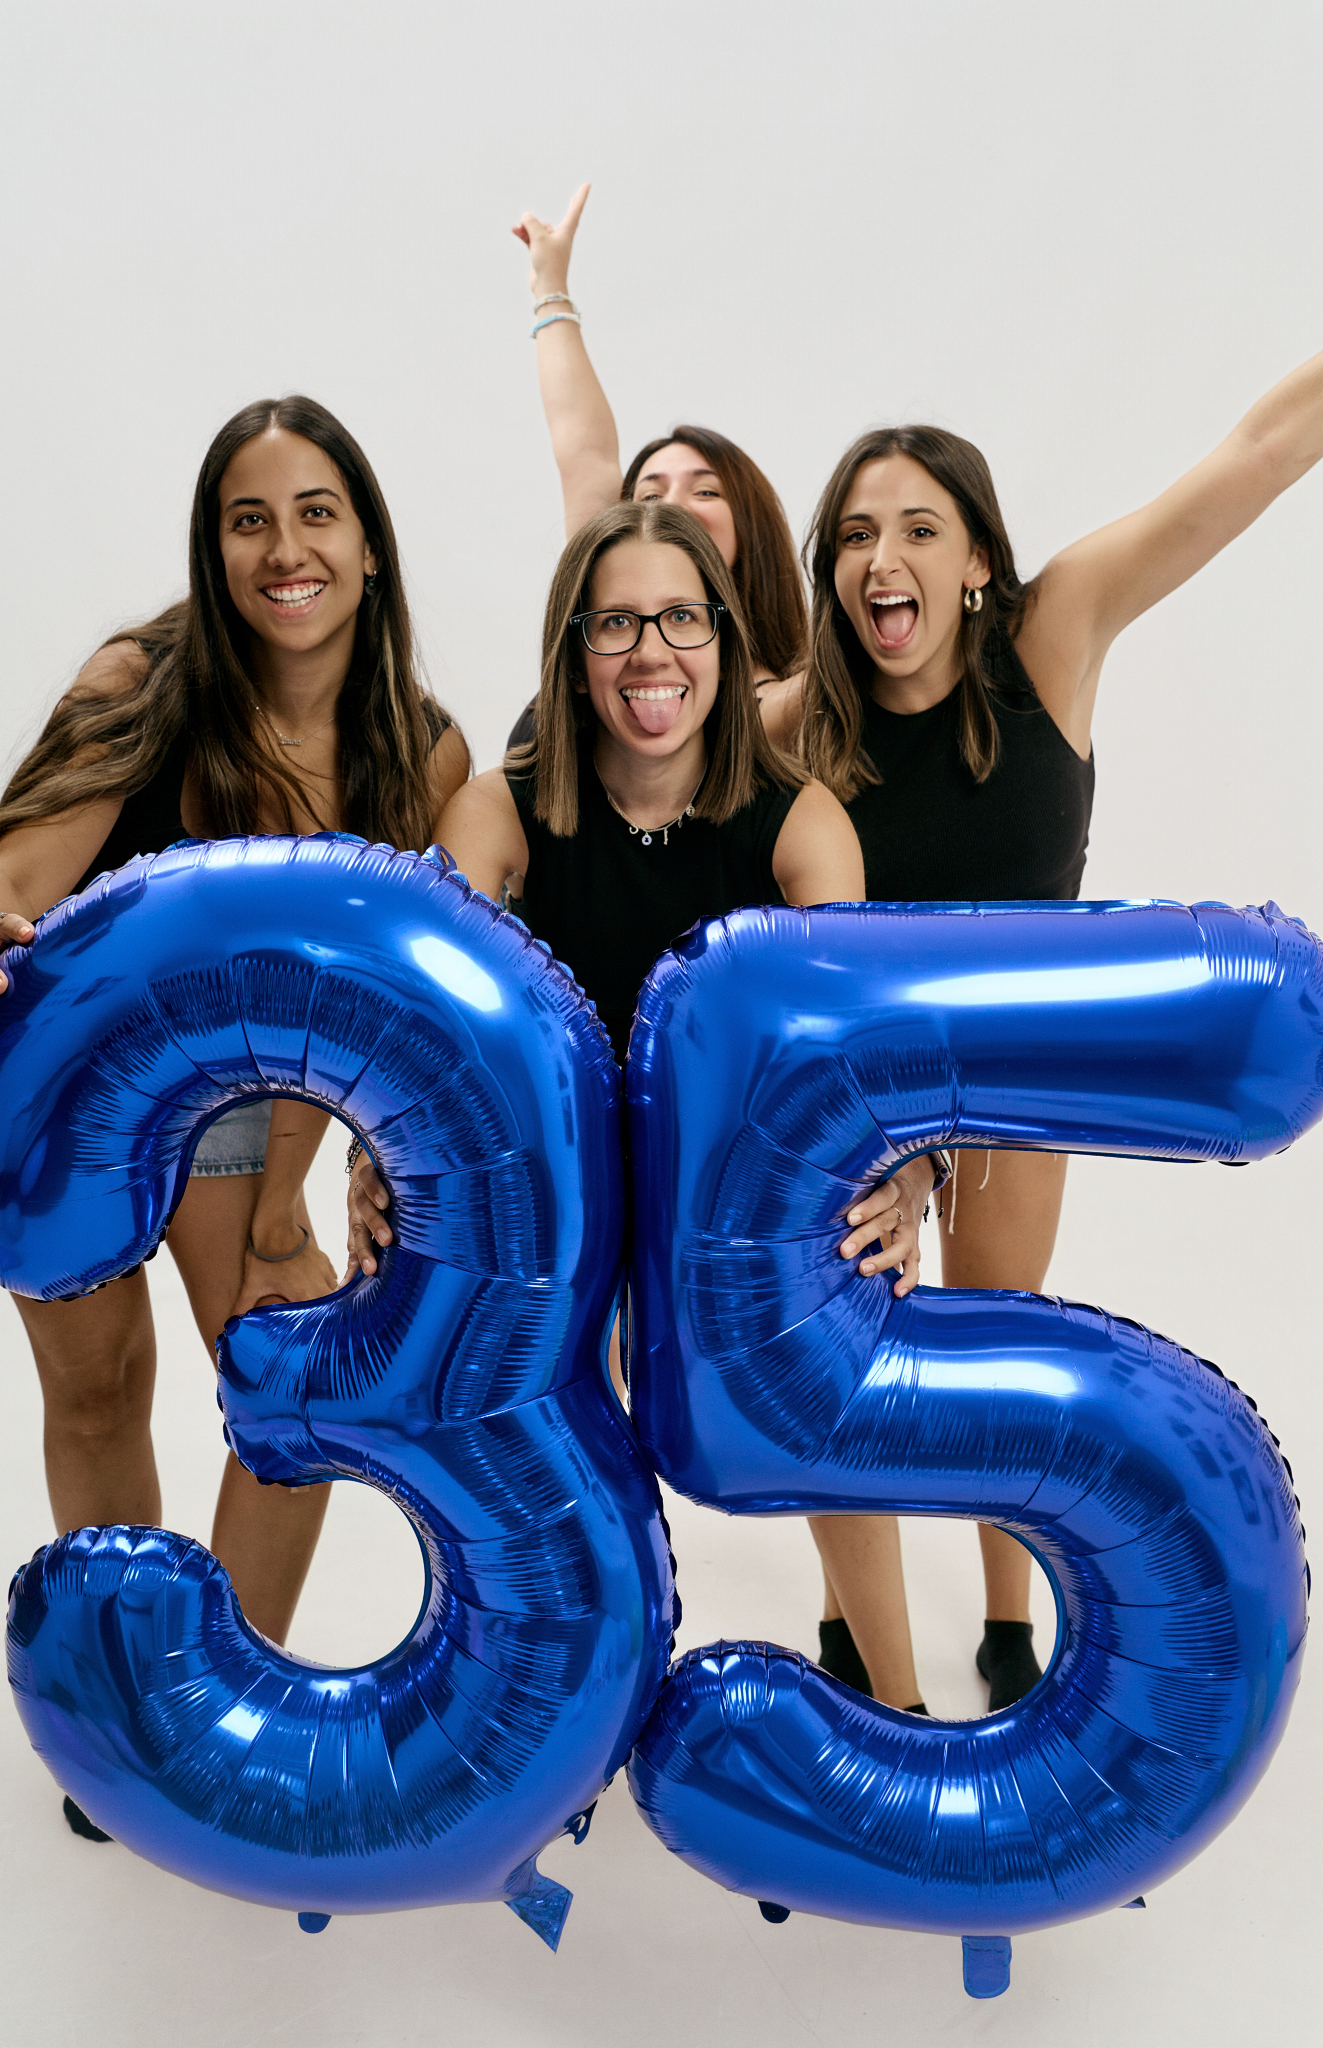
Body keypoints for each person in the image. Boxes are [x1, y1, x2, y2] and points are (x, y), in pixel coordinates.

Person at [782, 345, 1323, 1710]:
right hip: (866, 1094)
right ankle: (874, 1657)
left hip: (1022, 1077)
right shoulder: (799, 718)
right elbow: (628, 740)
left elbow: (1249, 457)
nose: (879, 558)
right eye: (852, 534)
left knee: (998, 1347)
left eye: (915, 527)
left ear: (977, 559)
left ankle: (1009, 1619)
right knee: (844, 1378)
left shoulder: (1054, 630)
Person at [0, 397, 470, 1839]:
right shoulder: (150, 679)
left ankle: (211, 1703)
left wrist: (283, 1194)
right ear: (214, 547)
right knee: (101, 1388)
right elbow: (17, 869)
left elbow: (360, 1013)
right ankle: (124, 1705)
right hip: (61, 1083)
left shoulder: (418, 757)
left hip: (241, 1109)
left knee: (295, 1387)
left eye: (316, 513)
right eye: (250, 519)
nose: (284, 548)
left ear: (367, 545)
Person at [348, 496, 947, 1711]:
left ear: (725, 643)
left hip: (733, 1195)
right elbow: (425, 1023)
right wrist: (374, 1151)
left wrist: (916, 1173)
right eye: (615, 623)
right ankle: (547, 1717)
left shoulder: (799, 820)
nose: (650, 651)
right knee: (540, 1418)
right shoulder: (501, 807)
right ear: (572, 654)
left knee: (827, 1385)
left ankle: (905, 1709)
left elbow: (866, 1049)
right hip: (561, 1195)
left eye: (680, 616)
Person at [505, 183, 806, 759]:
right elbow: (585, 448)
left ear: (752, 526)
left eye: (706, 489)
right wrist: (551, 287)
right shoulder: (603, 596)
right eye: (650, 493)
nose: (671, 506)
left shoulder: (776, 697)